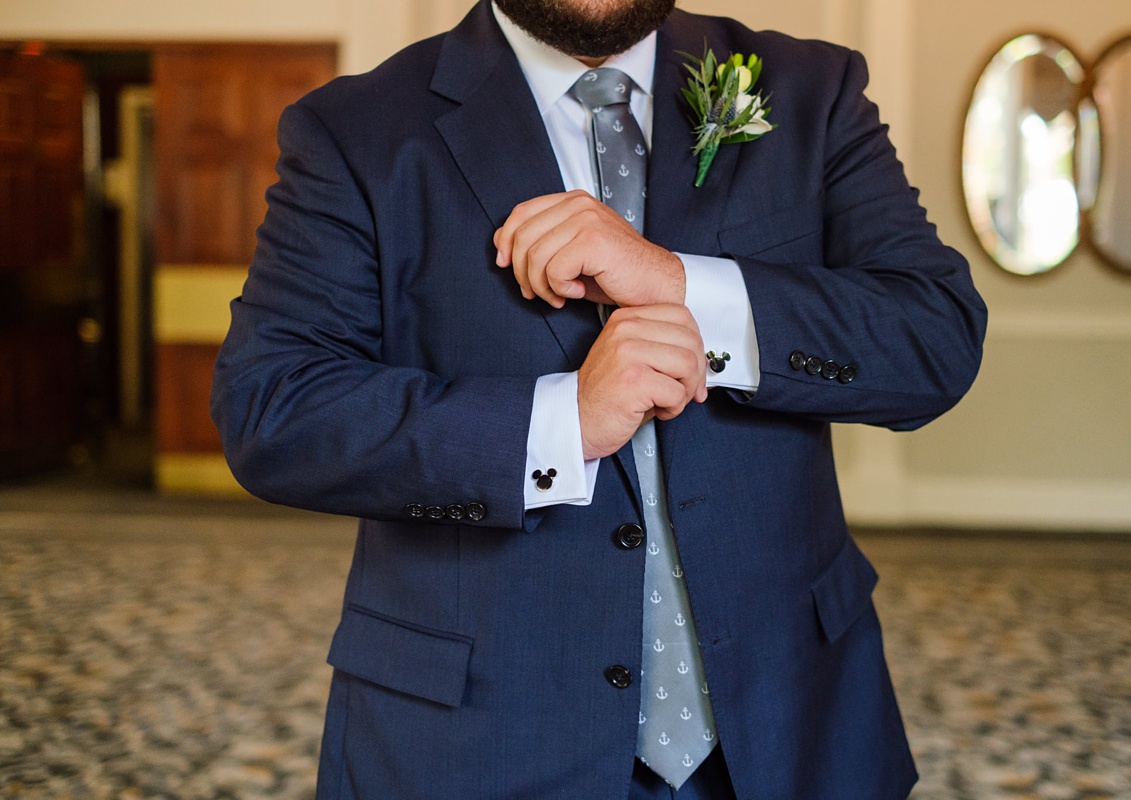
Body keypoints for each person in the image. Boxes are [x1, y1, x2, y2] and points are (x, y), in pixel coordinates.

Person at [210, 0, 987, 797]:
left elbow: (934, 338)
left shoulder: (810, 91)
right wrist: (559, 424)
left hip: (794, 724)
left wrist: (678, 285)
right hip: (476, 743)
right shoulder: (355, 130)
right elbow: (274, 407)